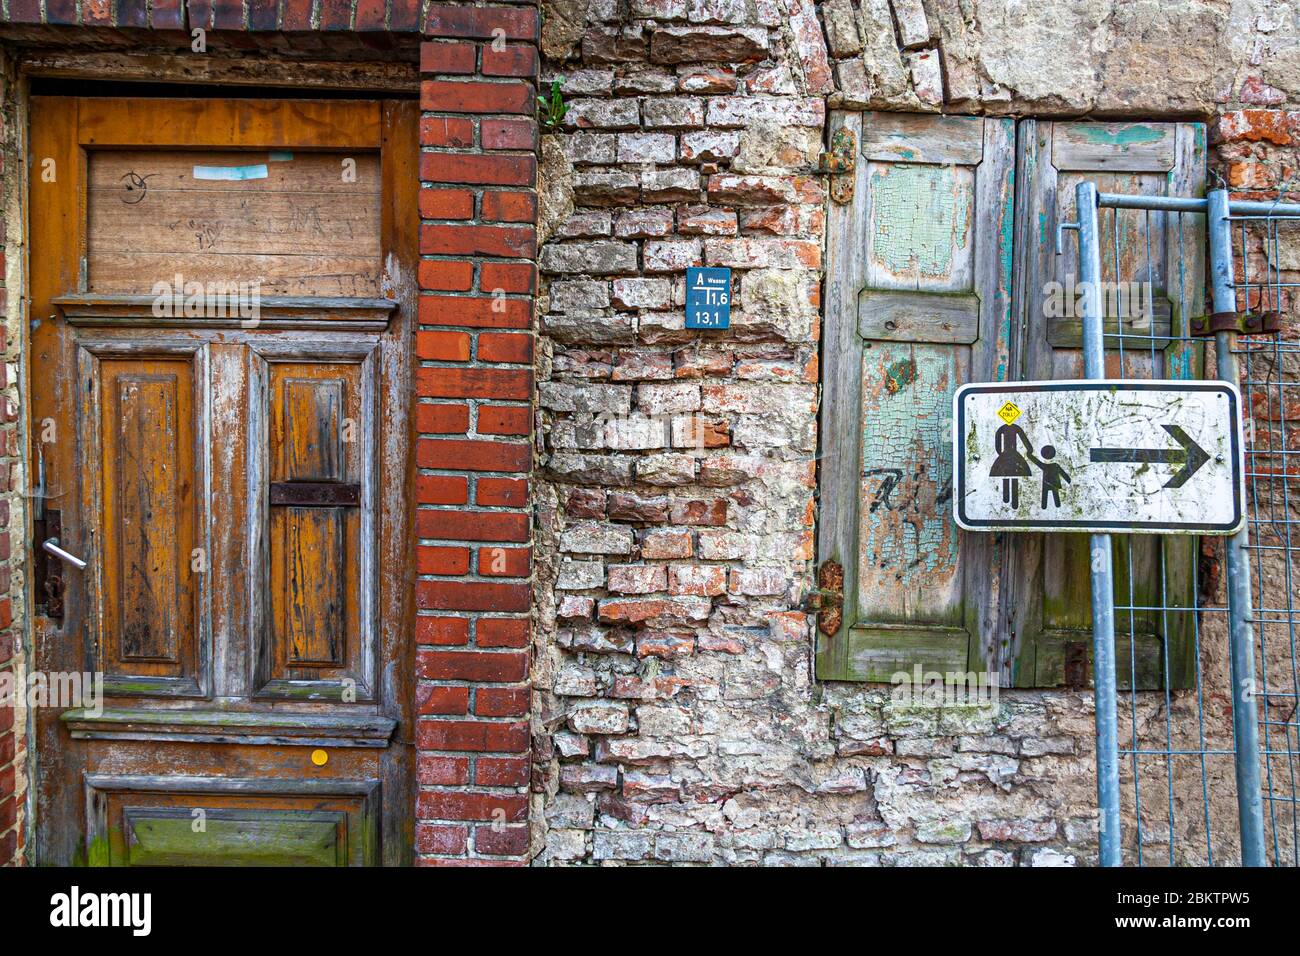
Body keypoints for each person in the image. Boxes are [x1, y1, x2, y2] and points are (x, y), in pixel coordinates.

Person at [989, 422, 1033, 508]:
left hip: (1007, 455)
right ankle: (1007, 501)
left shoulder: (1009, 427)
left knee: (1012, 478)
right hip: (1011, 455)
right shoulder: (1010, 427)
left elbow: (997, 445)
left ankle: (1012, 502)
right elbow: (997, 442)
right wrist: (1029, 450)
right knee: (1008, 477)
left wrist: (1001, 455)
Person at [1035, 445, 1071, 509]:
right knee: (1054, 493)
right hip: (1054, 482)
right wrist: (1068, 480)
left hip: (1047, 482)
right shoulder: (1055, 465)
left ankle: (1045, 506)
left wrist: (1030, 456)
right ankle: (1055, 505)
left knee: (1047, 494)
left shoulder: (1045, 466)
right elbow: (1063, 473)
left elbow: (1036, 462)